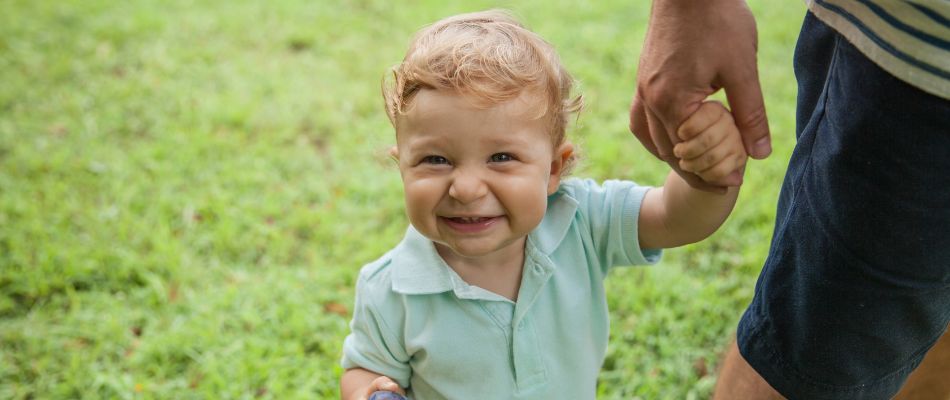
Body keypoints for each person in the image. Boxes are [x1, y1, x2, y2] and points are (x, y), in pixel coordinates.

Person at [340, 9, 750, 400]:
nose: (465, 188)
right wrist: (368, 390)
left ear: (554, 169)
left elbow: (677, 218)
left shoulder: (581, 220)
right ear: (402, 166)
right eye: (435, 160)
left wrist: (705, 173)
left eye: (501, 158)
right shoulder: (389, 288)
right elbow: (365, 367)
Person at [629, 0, 950, 399]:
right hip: (918, 65)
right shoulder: (574, 213)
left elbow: (677, 212)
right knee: (815, 358)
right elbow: (671, 216)